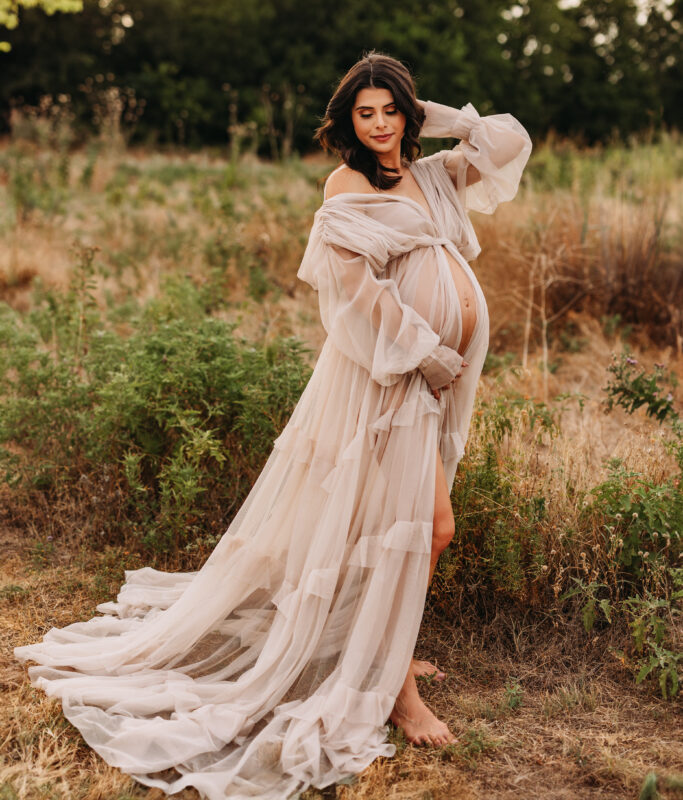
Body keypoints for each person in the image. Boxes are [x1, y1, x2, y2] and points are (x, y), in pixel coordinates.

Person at [15, 52, 532, 800]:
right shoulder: (346, 184)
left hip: (441, 379)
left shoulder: (431, 175)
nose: (381, 125)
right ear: (347, 121)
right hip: (392, 378)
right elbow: (352, 292)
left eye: (392, 110)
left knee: (392, 522)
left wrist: (438, 119)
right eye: (367, 112)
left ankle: (381, 648)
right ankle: (391, 689)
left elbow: (508, 145)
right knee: (421, 526)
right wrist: (424, 355)